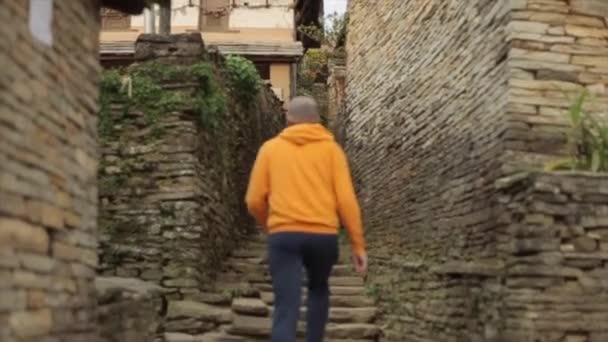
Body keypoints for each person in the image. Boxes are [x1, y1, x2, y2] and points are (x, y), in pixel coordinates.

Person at [245, 96, 367, 342]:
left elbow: (254, 200)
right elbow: (346, 200)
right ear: (317, 120)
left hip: (284, 235)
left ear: (288, 118)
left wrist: (269, 225)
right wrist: (357, 245)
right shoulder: (332, 151)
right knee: (319, 290)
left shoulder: (270, 149)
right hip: (323, 236)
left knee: (286, 303)